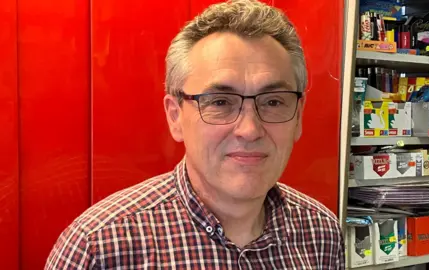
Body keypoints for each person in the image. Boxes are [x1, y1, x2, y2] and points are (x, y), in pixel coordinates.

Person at [45, 0, 345, 269]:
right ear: (175, 117)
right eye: (219, 102)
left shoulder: (322, 234)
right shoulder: (98, 249)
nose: (250, 130)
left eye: (274, 102)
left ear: (299, 117)